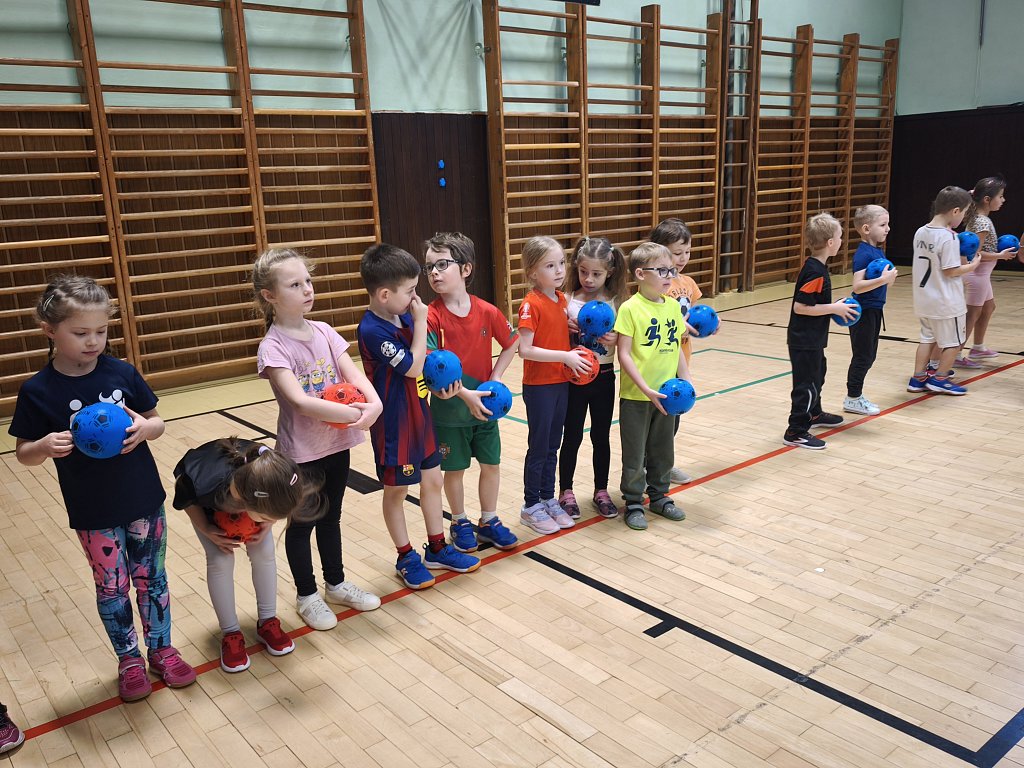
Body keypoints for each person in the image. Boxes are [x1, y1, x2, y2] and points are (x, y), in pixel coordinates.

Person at [10, 275, 197, 702]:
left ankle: (162, 650)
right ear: (49, 330)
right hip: (93, 510)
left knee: (152, 578)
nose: (93, 341)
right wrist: (42, 446)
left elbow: (157, 422)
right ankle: (129, 659)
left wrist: (147, 429)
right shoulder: (37, 391)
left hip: (144, 500)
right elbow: (23, 453)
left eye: (101, 330)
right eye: (80, 333)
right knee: (111, 587)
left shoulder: (122, 373)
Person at [253, 248, 383, 632]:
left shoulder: (324, 331)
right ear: (270, 296)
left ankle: (336, 584)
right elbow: (299, 400)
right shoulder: (273, 346)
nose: (307, 289)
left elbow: (353, 375)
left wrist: (375, 404)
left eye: (308, 281)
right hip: (302, 452)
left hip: (336, 445)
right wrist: (354, 415)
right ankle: (306, 594)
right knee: (301, 524)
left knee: (331, 517)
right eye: (295, 284)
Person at [357, 244, 481, 589]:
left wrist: (441, 384)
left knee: (433, 481)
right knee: (397, 491)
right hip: (394, 425)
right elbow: (412, 366)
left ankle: (437, 547)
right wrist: (423, 320)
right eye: (410, 290)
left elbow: (425, 362)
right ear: (385, 294)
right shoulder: (372, 330)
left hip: (421, 414)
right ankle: (405, 555)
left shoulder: (403, 315)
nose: (416, 298)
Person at [174, 438, 312, 672]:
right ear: (249, 504)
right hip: (205, 505)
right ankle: (230, 634)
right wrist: (206, 529)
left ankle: (268, 622)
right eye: (267, 517)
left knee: (264, 551)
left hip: (255, 496)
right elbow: (186, 498)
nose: (271, 522)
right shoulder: (203, 483)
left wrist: (266, 524)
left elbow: (274, 506)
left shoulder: (273, 477)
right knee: (220, 560)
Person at [423, 233, 520, 553]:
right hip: (449, 413)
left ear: (465, 269)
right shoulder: (431, 316)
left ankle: (489, 521)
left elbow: (512, 343)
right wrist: (465, 394)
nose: (434, 272)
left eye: (442, 265)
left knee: (491, 465)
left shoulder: (487, 311)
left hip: (486, 409)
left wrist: (495, 378)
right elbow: (427, 363)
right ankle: (459, 521)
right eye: (429, 267)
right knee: (454, 471)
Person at [517, 236, 592, 534]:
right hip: (539, 387)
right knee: (538, 446)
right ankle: (530, 505)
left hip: (561, 383)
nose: (559, 270)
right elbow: (525, 349)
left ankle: (548, 498)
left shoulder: (561, 300)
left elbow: (556, 333)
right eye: (550, 265)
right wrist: (565, 356)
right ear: (533, 272)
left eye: (561, 262)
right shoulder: (530, 304)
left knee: (552, 445)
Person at [614, 242, 691, 530]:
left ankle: (659, 497)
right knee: (635, 454)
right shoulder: (630, 309)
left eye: (671, 270)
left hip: (668, 396)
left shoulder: (672, 307)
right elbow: (624, 354)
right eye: (662, 270)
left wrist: (687, 380)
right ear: (640, 274)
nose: (669, 276)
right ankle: (634, 502)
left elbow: (677, 346)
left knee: (663, 450)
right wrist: (645, 388)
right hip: (637, 396)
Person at [557, 236, 627, 520]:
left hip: (604, 378)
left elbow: (627, 340)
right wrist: (564, 329)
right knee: (572, 435)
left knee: (601, 435)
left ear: (609, 271)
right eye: (584, 272)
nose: (589, 279)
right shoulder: (567, 300)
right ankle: (566, 491)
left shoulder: (617, 302)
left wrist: (617, 337)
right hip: (574, 379)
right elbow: (553, 341)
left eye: (596, 274)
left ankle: (601, 490)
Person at [782, 213, 859, 449]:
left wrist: (833, 306)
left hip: (813, 339)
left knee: (818, 375)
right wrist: (834, 308)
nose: (842, 241)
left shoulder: (817, 267)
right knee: (806, 385)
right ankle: (795, 430)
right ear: (830, 242)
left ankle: (814, 414)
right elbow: (801, 307)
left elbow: (813, 303)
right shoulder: (815, 271)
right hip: (803, 340)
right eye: (840, 237)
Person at [649, 218, 709, 485]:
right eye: (677, 253)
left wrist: (708, 324)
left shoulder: (688, 283)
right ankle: (649, 466)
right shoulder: (657, 285)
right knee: (657, 420)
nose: (683, 258)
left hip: (681, 360)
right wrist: (676, 325)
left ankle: (664, 464)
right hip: (659, 360)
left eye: (687, 251)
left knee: (673, 418)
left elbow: (694, 315)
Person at [908, 187, 980, 395]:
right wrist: (972, 266)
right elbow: (950, 270)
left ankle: (918, 378)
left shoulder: (920, 231)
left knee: (927, 339)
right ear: (955, 211)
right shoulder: (949, 237)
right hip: (946, 301)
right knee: (954, 342)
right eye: (964, 212)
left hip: (924, 299)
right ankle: (940, 379)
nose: (963, 217)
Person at [955, 176, 1018, 368]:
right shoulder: (982, 223)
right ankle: (956, 355)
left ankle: (978, 347)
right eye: (1001, 196)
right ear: (987, 199)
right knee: (972, 314)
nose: (1003, 200)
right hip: (977, 275)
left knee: (989, 307)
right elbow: (976, 253)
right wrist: (1000, 255)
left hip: (982, 274)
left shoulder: (980, 218)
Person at [844, 205, 898, 415]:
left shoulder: (877, 250)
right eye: (883, 225)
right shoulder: (864, 254)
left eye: (888, 224)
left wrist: (888, 279)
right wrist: (884, 279)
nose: (888, 229)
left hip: (874, 310)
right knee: (863, 357)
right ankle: (853, 398)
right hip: (863, 312)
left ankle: (855, 397)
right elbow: (858, 286)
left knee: (869, 356)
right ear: (866, 229)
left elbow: (881, 283)